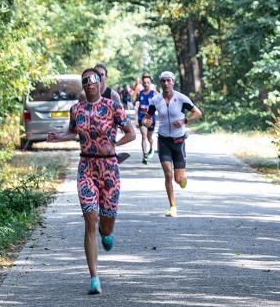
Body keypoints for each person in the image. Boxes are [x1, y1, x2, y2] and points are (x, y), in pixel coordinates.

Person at [51, 67, 135, 294]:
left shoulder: (112, 106)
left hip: (109, 168)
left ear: (100, 83)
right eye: (85, 81)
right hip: (86, 167)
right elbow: (73, 132)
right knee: (91, 219)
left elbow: (131, 132)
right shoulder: (76, 109)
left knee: (106, 223)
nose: (89, 84)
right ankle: (94, 278)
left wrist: (114, 145)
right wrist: (59, 136)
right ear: (83, 85)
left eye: (93, 80)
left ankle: (107, 233)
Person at [151, 71, 202, 217]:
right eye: (163, 81)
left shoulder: (181, 98)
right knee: (168, 175)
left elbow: (198, 112)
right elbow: (148, 117)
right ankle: (172, 206)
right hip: (164, 140)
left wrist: (184, 120)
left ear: (173, 82)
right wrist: (146, 121)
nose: (166, 83)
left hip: (179, 141)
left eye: (168, 81)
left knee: (177, 179)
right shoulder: (155, 100)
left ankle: (182, 179)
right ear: (160, 83)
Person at [136, 72, 157, 164]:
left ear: (150, 83)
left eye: (148, 82)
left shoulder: (154, 93)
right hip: (142, 118)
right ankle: (145, 156)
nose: (146, 84)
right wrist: (136, 118)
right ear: (142, 83)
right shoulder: (139, 94)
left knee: (149, 137)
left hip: (151, 119)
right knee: (144, 136)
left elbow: (161, 103)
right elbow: (137, 106)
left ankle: (151, 146)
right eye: (144, 82)